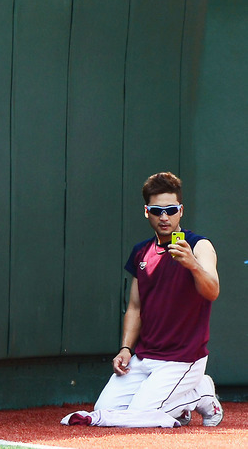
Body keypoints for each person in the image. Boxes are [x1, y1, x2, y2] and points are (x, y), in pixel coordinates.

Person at [62, 171, 223, 429]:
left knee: (139, 417)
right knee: (105, 409)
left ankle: (200, 393)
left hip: (183, 357)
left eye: (171, 210)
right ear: (147, 212)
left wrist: (192, 264)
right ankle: (178, 404)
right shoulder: (141, 251)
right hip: (145, 356)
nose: (164, 217)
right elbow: (135, 307)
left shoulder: (199, 245)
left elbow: (212, 291)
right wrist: (126, 349)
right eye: (157, 211)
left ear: (181, 210)